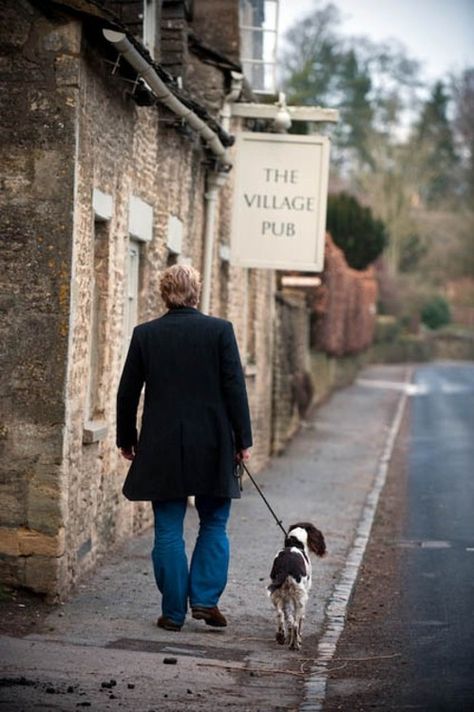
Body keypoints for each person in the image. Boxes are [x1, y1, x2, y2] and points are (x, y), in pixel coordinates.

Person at [116, 264, 252, 631]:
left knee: (168, 529)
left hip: (162, 446)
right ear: (196, 292)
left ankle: (173, 612)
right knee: (214, 522)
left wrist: (125, 438)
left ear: (164, 293)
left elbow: (127, 392)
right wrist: (244, 441)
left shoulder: (146, 335)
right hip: (213, 443)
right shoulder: (220, 331)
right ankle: (205, 600)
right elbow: (234, 388)